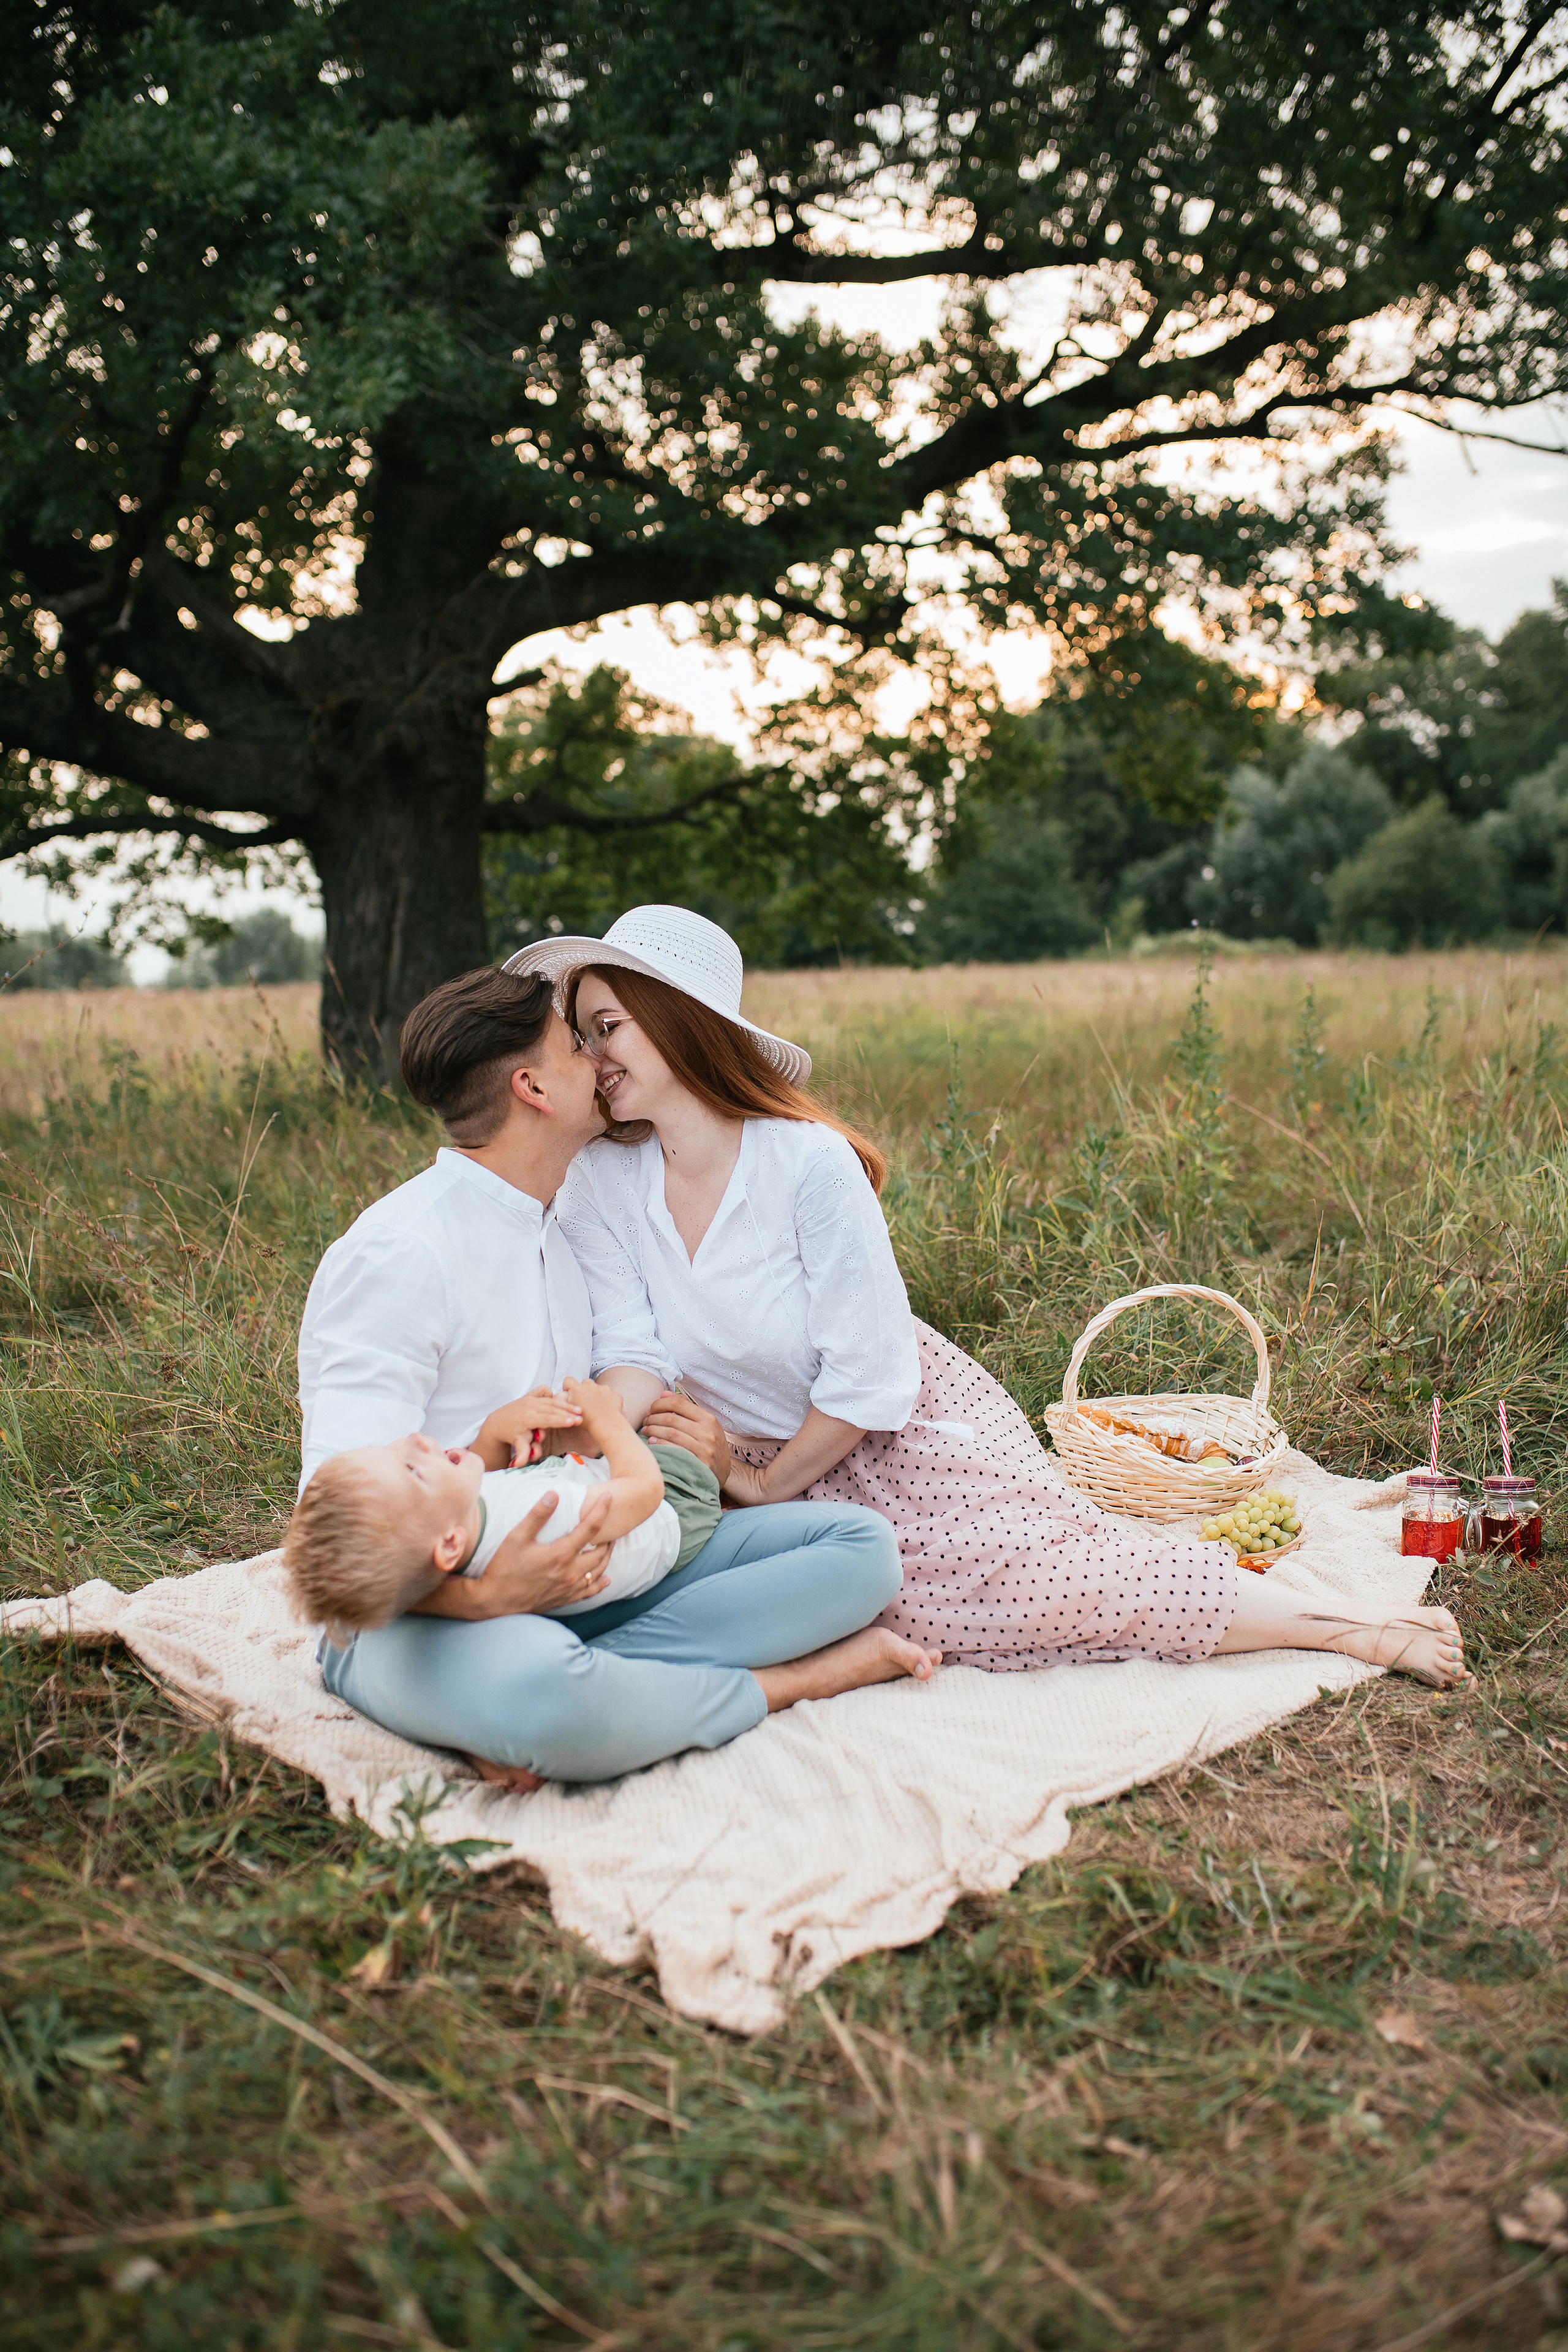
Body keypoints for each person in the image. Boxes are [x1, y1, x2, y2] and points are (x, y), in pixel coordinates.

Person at [504, 905, 1469, 1694]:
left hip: (893, 1428)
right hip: (745, 1458)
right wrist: (588, 1444)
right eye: (583, 1037)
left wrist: (762, 1484)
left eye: (608, 1030)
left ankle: (1354, 1627)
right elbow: (631, 1355)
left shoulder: (806, 1167)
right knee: (885, 1599)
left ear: (679, 1020)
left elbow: (871, 1376)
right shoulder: (602, 1182)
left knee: (1045, 1581)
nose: (590, 1059)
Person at [295, 964, 936, 1793]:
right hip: (428, 1604)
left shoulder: (562, 1218)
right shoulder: (398, 1253)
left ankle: (578, 1686)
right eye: (576, 1043)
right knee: (539, 1691)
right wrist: (488, 1599)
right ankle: (777, 1685)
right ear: (532, 1088)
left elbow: (633, 1364)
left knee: (859, 1554)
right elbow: (334, 1513)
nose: (598, 1060)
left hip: (593, 1552)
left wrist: (618, 1440)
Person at [283, 1374, 722, 1641]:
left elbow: (460, 1503)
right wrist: (608, 1420)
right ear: (449, 1545)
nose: (412, 1439)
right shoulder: (538, 1515)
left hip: (603, 1482)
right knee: (674, 1424)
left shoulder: (421, 1548)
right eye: (411, 1469)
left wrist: (494, 1433)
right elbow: (645, 1493)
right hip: (674, 1498)